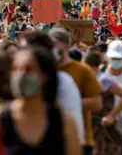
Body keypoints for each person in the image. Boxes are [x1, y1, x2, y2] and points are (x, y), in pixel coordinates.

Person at [0, 46, 81, 155]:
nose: (20, 75)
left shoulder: (65, 123)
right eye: (15, 69)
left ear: (45, 75)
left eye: (28, 69)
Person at [49, 27, 103, 155]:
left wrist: (70, 102)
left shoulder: (83, 70)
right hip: (52, 139)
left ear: (66, 46)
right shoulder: (46, 71)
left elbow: (97, 103)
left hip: (81, 138)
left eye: (57, 46)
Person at [84, 47, 122, 155]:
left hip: (104, 127)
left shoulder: (104, 79)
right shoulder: (89, 78)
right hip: (91, 126)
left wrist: (111, 115)